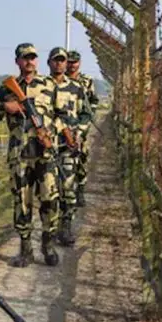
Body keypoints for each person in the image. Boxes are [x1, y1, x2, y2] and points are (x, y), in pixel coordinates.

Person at [0, 43, 61, 268]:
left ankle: (48, 245)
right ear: (17, 61)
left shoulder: (49, 85)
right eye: (25, 58)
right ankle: (25, 249)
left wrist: (50, 132)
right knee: (22, 202)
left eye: (33, 58)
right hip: (20, 154)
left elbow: (62, 115)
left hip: (45, 153)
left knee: (50, 198)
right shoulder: (8, 87)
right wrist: (3, 106)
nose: (29, 61)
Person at [46, 47, 91, 245]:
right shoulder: (41, 87)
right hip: (45, 147)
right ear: (49, 63)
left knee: (68, 189)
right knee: (49, 192)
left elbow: (86, 114)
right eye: (56, 60)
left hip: (67, 147)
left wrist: (78, 133)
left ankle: (66, 228)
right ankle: (51, 229)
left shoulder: (76, 88)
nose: (59, 63)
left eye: (62, 60)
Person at [65, 50, 99, 207]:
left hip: (81, 124)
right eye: (69, 62)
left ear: (79, 63)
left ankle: (80, 189)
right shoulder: (59, 79)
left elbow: (94, 100)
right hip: (64, 125)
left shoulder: (86, 81)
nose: (72, 65)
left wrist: (88, 118)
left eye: (75, 62)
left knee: (81, 157)